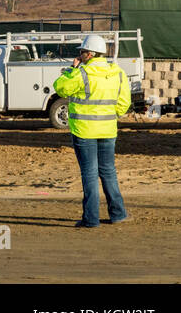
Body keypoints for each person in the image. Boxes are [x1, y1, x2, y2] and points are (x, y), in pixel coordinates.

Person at [54, 34, 131, 228]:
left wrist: (72, 68)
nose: (79, 55)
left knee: (89, 174)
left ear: (89, 54)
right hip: (107, 130)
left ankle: (91, 219)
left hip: (84, 131)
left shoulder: (81, 74)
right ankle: (118, 214)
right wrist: (109, 115)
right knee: (108, 172)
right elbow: (123, 104)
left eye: (81, 52)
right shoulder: (118, 73)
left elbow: (60, 88)